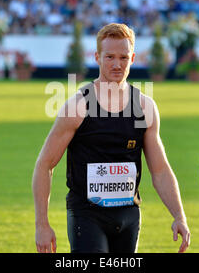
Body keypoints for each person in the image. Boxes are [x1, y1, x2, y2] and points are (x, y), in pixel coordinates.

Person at [33, 23, 190, 253]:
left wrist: (179, 216)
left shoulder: (145, 107)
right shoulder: (78, 106)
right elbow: (44, 165)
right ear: (97, 57)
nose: (117, 64)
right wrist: (42, 224)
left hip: (128, 215)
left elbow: (160, 170)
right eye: (110, 57)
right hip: (87, 215)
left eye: (124, 57)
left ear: (133, 58)